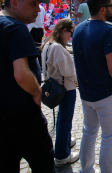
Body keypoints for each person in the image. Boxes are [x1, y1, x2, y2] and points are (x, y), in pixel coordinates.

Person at [0, 0, 55, 172]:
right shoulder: (14, 27)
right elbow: (21, 74)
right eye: (33, 4)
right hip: (19, 110)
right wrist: (37, 93)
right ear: (14, 2)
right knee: (43, 161)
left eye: (39, 4)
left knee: (8, 159)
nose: (38, 9)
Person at [72, 0, 112, 173]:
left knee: (88, 133)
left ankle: (86, 170)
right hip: (106, 94)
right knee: (109, 138)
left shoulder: (78, 28)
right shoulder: (108, 30)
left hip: (87, 93)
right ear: (103, 9)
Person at [41, 18, 79, 167]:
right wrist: (79, 81)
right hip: (65, 87)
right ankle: (62, 156)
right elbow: (67, 71)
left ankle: (64, 143)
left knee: (64, 119)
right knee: (65, 120)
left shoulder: (48, 43)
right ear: (64, 30)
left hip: (56, 85)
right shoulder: (57, 47)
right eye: (70, 33)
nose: (70, 37)